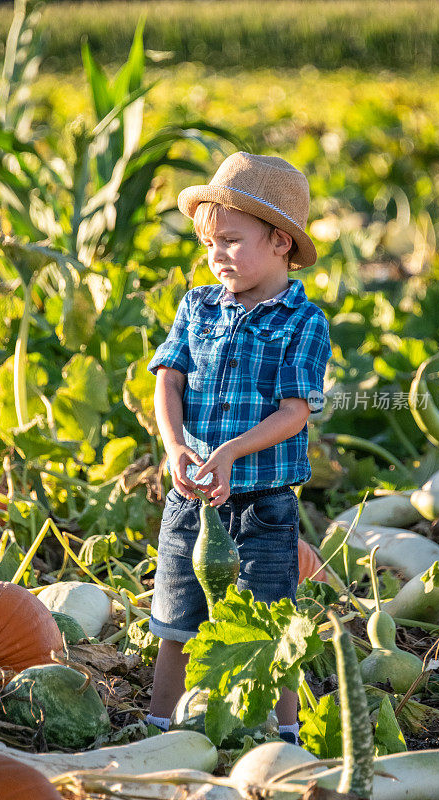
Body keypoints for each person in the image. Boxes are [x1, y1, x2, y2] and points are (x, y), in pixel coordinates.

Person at [145, 151, 332, 745]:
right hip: (194, 497)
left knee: (267, 621)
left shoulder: (301, 322)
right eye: (209, 245)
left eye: (230, 241)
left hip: (262, 505)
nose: (216, 256)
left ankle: (283, 736)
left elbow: (295, 411)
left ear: (280, 242)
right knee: (177, 617)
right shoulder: (197, 306)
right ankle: (159, 725)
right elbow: (168, 377)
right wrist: (176, 446)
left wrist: (230, 452)